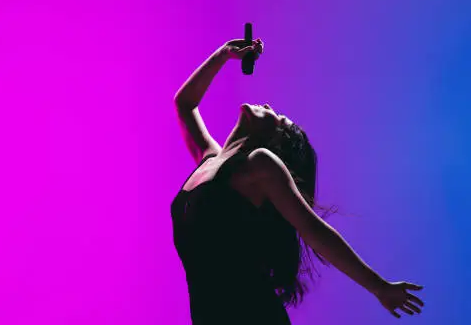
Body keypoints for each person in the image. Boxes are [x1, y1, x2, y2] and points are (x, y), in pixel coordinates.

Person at [171, 37, 425, 324]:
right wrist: (224, 55)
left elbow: (315, 231)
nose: (268, 104)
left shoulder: (259, 166)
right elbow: (185, 103)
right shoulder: (210, 160)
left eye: (279, 117)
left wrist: (379, 287)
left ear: (275, 140)